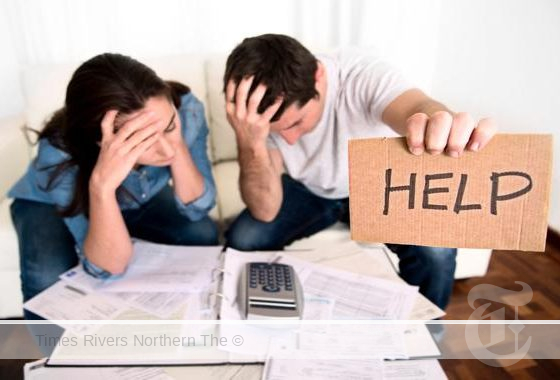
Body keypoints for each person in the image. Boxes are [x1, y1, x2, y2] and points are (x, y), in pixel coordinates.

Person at [223, 34, 497, 310]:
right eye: (276, 132)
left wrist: (437, 122)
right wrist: (251, 140)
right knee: (244, 238)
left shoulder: (360, 73)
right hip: (308, 189)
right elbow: (265, 211)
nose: (290, 140)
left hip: (376, 184)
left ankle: (425, 333)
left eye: (296, 123)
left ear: (319, 76)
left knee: (436, 251)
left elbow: (416, 107)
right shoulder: (254, 118)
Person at [9, 53, 218, 318]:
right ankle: (52, 357)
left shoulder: (186, 110)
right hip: (47, 203)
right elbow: (107, 267)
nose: (166, 151)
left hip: (141, 194)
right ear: (101, 141)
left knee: (201, 233)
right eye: (143, 140)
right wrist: (102, 187)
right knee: (47, 276)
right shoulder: (58, 154)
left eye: (169, 126)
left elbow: (198, 207)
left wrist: (176, 139)